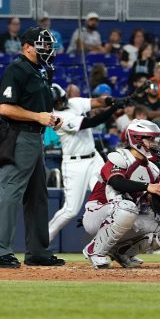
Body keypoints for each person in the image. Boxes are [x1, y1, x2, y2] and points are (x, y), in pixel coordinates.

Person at [0, 26, 64, 269]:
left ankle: (38, 252)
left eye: (48, 44)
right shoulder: (17, 69)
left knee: (38, 197)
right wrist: (38, 117)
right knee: (11, 193)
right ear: (27, 47)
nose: (47, 49)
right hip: (18, 137)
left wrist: (50, 118)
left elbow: (38, 110)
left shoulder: (38, 71)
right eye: (42, 44)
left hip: (35, 138)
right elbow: (6, 108)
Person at [82, 120, 160, 269]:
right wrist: (148, 187)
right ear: (136, 139)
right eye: (150, 139)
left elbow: (149, 200)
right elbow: (117, 182)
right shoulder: (119, 157)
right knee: (127, 207)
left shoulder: (153, 170)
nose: (154, 143)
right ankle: (95, 250)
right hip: (98, 212)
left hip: (126, 214)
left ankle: (122, 252)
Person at [47, 83, 123, 241]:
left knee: (111, 196)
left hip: (94, 159)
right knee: (71, 210)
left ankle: (113, 244)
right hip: (75, 164)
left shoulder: (73, 103)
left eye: (60, 100)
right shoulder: (56, 117)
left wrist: (111, 100)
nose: (59, 104)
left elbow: (96, 102)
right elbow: (91, 122)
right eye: (55, 103)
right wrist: (114, 108)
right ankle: (43, 239)